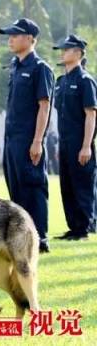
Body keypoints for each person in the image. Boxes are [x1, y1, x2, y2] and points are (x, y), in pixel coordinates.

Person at [0, 18, 54, 253]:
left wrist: (37, 141)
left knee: (33, 186)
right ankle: (23, 236)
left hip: (29, 139)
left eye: (15, 35)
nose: (10, 39)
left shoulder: (40, 68)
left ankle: (40, 238)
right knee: (16, 187)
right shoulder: (15, 66)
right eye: (9, 35)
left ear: (30, 38)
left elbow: (44, 106)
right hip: (11, 138)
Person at [52, 34, 97, 241]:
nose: (62, 52)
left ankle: (85, 228)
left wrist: (87, 146)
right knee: (67, 186)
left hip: (81, 143)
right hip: (65, 143)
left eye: (66, 49)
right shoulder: (61, 81)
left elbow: (91, 115)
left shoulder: (85, 81)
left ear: (78, 53)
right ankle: (74, 227)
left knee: (83, 186)